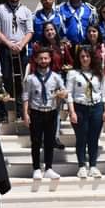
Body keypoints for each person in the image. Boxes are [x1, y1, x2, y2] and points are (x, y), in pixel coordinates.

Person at [22, 48, 67, 180]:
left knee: (49, 141)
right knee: (35, 141)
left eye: (46, 58)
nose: (43, 61)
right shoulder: (30, 78)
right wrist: (25, 113)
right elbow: (25, 96)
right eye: (41, 58)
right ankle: (36, 168)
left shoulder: (55, 77)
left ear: (50, 59)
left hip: (51, 112)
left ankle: (48, 168)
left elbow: (64, 91)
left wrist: (61, 94)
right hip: (36, 112)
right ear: (36, 59)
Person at [28, 21, 74, 150]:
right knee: (42, 109)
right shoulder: (38, 46)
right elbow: (32, 64)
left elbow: (70, 62)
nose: (50, 32)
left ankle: (54, 137)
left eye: (52, 30)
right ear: (43, 32)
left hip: (57, 80)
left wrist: (67, 67)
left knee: (56, 110)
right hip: (41, 79)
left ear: (55, 31)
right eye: (47, 30)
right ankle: (42, 138)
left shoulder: (63, 46)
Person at [66, 46, 105, 179]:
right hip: (80, 108)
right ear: (78, 59)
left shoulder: (99, 73)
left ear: (91, 58)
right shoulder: (73, 74)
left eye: (87, 56)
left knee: (93, 138)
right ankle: (81, 165)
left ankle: (93, 165)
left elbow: (104, 94)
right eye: (82, 57)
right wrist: (72, 111)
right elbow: (69, 94)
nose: (85, 59)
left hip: (96, 107)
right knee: (81, 138)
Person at [0, 0, 33, 118]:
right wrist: (9, 44)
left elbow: (30, 31)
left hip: (21, 48)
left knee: (21, 81)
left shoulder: (26, 11)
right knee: (6, 79)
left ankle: (21, 111)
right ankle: (6, 111)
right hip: (4, 48)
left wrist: (21, 45)